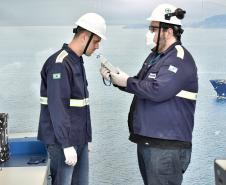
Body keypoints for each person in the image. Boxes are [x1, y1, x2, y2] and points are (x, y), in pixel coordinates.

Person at [100, 3, 198, 185]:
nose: (149, 33)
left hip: (166, 147)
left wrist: (127, 81)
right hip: (149, 142)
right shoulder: (155, 56)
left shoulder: (179, 58)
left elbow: (158, 90)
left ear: (168, 31)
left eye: (153, 28)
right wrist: (117, 79)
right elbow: (140, 84)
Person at [38, 13, 106, 185]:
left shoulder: (76, 61)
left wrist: (84, 139)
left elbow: (78, 106)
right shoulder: (60, 64)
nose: (98, 46)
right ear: (85, 36)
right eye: (96, 41)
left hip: (77, 138)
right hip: (63, 142)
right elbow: (57, 106)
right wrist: (66, 144)